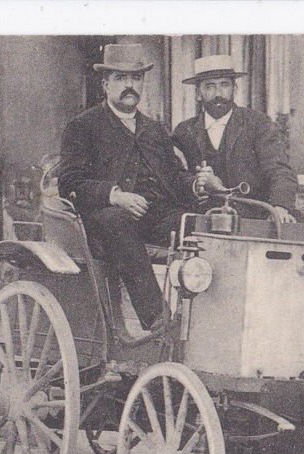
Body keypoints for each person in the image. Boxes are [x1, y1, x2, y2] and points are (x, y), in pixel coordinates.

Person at [57, 43, 197, 334]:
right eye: (121, 79)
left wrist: (197, 185)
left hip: (154, 218)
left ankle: (201, 320)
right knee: (117, 220)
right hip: (103, 223)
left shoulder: (155, 130)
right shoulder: (83, 126)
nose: (130, 86)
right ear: (106, 84)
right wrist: (115, 196)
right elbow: (69, 182)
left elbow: (174, 177)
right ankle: (158, 320)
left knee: (194, 224)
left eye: (136, 78)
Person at [171, 55, 298, 223]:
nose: (218, 93)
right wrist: (197, 185)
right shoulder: (184, 131)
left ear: (234, 89)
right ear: (198, 93)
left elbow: (279, 170)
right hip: (203, 222)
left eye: (225, 85)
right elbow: (174, 177)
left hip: (252, 221)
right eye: (210, 87)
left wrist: (280, 207)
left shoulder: (257, 123)